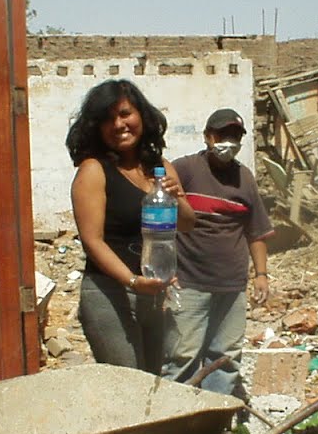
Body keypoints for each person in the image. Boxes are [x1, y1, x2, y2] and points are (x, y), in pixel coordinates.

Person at [67, 79, 195, 374]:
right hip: (110, 294)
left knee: (152, 382)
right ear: (97, 128)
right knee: (127, 385)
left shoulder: (159, 167)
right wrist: (133, 281)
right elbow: (93, 241)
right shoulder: (93, 171)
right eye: (108, 119)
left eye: (125, 114)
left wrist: (178, 199)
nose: (119, 124)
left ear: (142, 116)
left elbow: (187, 224)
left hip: (153, 292)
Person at [162, 108, 274, 399]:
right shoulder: (185, 170)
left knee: (225, 358)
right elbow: (161, 219)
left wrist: (261, 275)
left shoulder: (244, 179)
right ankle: (175, 422)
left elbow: (256, 231)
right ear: (208, 136)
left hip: (232, 286)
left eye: (235, 136)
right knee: (181, 356)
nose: (229, 141)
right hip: (188, 282)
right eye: (222, 135)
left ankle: (214, 426)